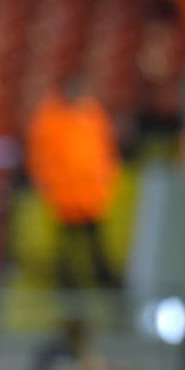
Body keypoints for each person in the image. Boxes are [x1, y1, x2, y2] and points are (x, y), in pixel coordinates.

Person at [25, 76, 122, 289]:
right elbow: (40, 155)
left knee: (94, 238)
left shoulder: (92, 113)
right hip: (65, 193)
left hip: (90, 193)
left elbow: (105, 148)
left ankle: (101, 276)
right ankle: (67, 281)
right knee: (67, 242)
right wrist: (45, 181)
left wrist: (106, 177)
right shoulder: (50, 118)